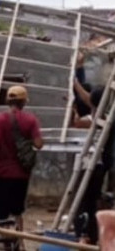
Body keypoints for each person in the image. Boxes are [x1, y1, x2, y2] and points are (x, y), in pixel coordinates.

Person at [0, 86, 43, 231]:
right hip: (21, 174)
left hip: (1, 174)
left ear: (7, 101)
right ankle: (20, 242)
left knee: (0, 215)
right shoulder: (31, 120)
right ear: (24, 102)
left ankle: (4, 243)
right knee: (17, 212)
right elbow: (38, 144)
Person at [73, 80, 114, 245]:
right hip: (100, 164)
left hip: (91, 165)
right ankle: (90, 233)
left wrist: (72, 108)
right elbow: (89, 99)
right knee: (91, 201)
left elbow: (75, 123)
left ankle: (85, 234)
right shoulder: (105, 116)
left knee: (84, 201)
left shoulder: (97, 119)